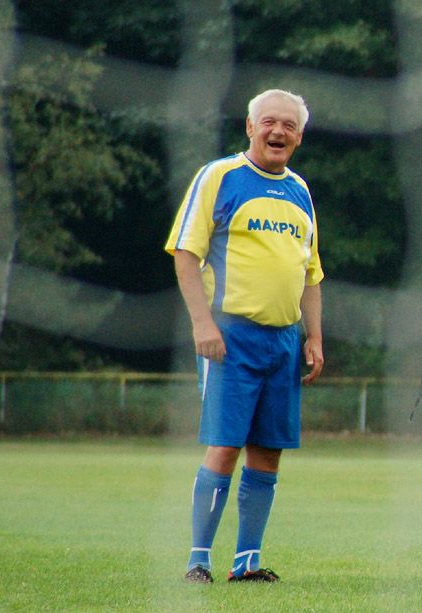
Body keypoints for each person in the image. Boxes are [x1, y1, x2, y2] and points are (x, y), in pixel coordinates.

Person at [166, 89, 324, 583]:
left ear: (300, 136)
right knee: (225, 445)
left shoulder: (300, 190)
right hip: (230, 336)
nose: (279, 132)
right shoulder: (220, 176)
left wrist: (313, 338)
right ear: (251, 128)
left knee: (269, 449)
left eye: (289, 126)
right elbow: (185, 253)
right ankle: (198, 560)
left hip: (283, 341)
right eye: (269, 123)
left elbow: (311, 273)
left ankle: (247, 563)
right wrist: (201, 323)